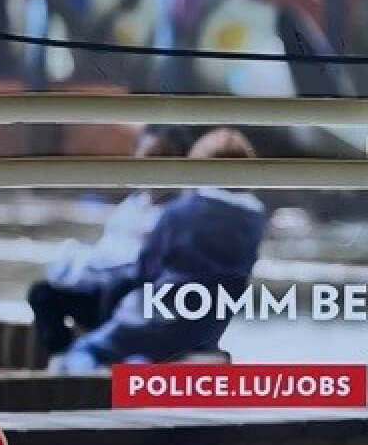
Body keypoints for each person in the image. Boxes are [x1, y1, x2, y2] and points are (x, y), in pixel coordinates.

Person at [52, 127, 266, 371]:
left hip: (158, 323)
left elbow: (144, 271)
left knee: (85, 350)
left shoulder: (179, 213)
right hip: (208, 330)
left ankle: (90, 389)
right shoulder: (254, 222)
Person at [27, 125, 192, 359]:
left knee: (121, 289)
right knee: (43, 293)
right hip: (107, 292)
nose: (155, 166)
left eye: (164, 158)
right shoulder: (132, 205)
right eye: (149, 158)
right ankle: (64, 361)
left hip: (147, 305)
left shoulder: (184, 212)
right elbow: (107, 252)